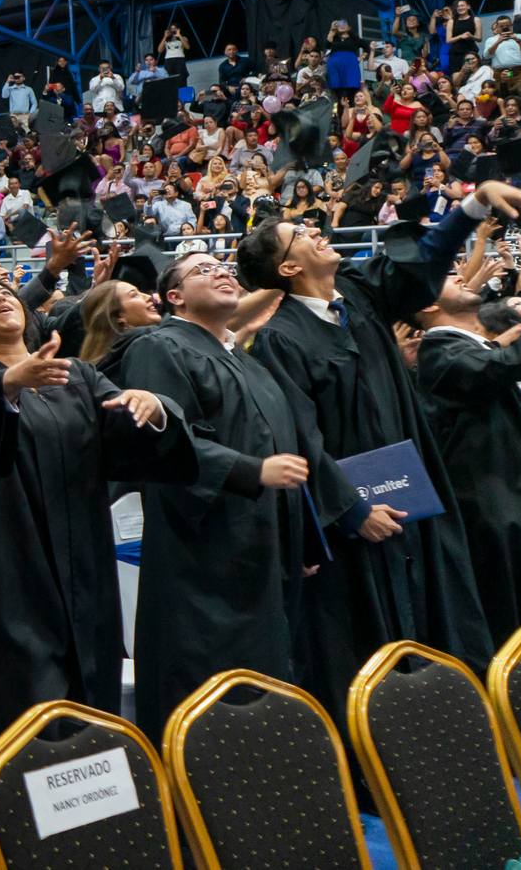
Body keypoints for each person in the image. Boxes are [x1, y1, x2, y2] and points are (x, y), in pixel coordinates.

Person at [235, 180, 521, 730]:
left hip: (417, 503)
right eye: (299, 234)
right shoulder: (281, 339)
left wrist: (471, 207)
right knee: (378, 643)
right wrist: (353, 510)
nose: (315, 229)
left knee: (444, 617)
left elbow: (418, 265)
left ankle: (470, 740)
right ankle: (396, 765)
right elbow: (299, 437)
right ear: (286, 269)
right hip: (362, 528)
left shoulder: (358, 295)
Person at [0, 277, 196, 771]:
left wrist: (154, 408)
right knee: (28, 695)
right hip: (16, 563)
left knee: (93, 689)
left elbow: (127, 436)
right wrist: (9, 383)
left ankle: (97, 820)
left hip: (87, 562)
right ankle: (26, 821)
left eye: (4, 292)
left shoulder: (77, 375)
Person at [117, 255, 348, 739]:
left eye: (224, 265)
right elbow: (165, 442)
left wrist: (299, 535)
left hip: (266, 545)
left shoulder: (246, 360)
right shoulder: (159, 347)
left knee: (273, 675)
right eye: (202, 270)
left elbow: (286, 450)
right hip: (205, 551)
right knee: (218, 685)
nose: (222, 271)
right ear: (173, 297)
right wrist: (250, 471)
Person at [411, 274, 521, 648]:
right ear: (428, 305)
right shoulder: (439, 348)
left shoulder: (477, 348)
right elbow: (498, 368)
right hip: (499, 512)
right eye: (446, 276)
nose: (459, 274)